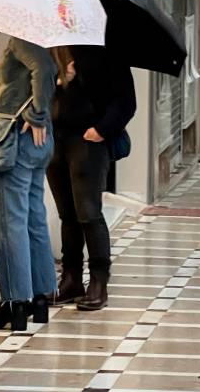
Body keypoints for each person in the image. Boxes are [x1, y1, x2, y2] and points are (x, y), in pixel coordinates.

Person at [0, 37, 58, 331]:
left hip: (17, 142)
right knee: (33, 219)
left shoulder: (22, 37)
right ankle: (39, 297)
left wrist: (36, 115)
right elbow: (28, 79)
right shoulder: (37, 38)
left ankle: (14, 302)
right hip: (35, 144)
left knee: (8, 223)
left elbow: (45, 70)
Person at [48, 46, 136, 312]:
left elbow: (126, 101)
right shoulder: (52, 45)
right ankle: (71, 278)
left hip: (88, 140)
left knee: (88, 212)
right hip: (55, 138)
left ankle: (99, 282)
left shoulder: (106, 49)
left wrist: (101, 130)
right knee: (67, 214)